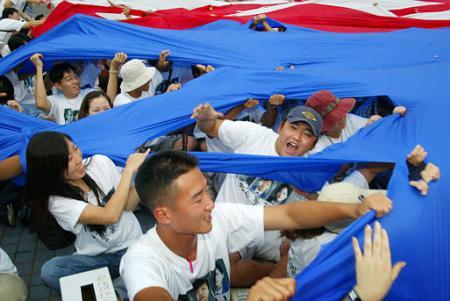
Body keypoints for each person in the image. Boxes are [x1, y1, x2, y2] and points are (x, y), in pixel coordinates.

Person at [120, 151, 393, 301]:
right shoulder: (141, 262)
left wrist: (355, 209)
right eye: (197, 198)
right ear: (164, 215)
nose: (210, 204)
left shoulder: (217, 220)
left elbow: (290, 216)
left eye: (207, 191)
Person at [24, 131, 148, 292]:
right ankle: (121, 283)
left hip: (134, 247)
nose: (77, 159)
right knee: (51, 271)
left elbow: (128, 206)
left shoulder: (100, 162)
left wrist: (143, 174)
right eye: (68, 159)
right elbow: (110, 216)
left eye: (75, 149)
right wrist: (128, 172)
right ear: (51, 169)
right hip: (99, 259)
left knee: (148, 261)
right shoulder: (56, 201)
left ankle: (114, 288)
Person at [30, 52, 126, 124]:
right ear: (57, 85)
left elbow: (110, 99)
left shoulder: (89, 94)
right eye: (69, 79)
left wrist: (113, 70)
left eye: (76, 76)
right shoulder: (55, 100)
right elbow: (41, 104)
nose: (75, 81)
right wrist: (39, 67)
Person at [305, 90, 406, 154]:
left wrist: (389, 120)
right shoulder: (317, 147)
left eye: (342, 112)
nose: (342, 116)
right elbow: (336, 173)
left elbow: (374, 131)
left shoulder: (349, 119)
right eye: (336, 117)